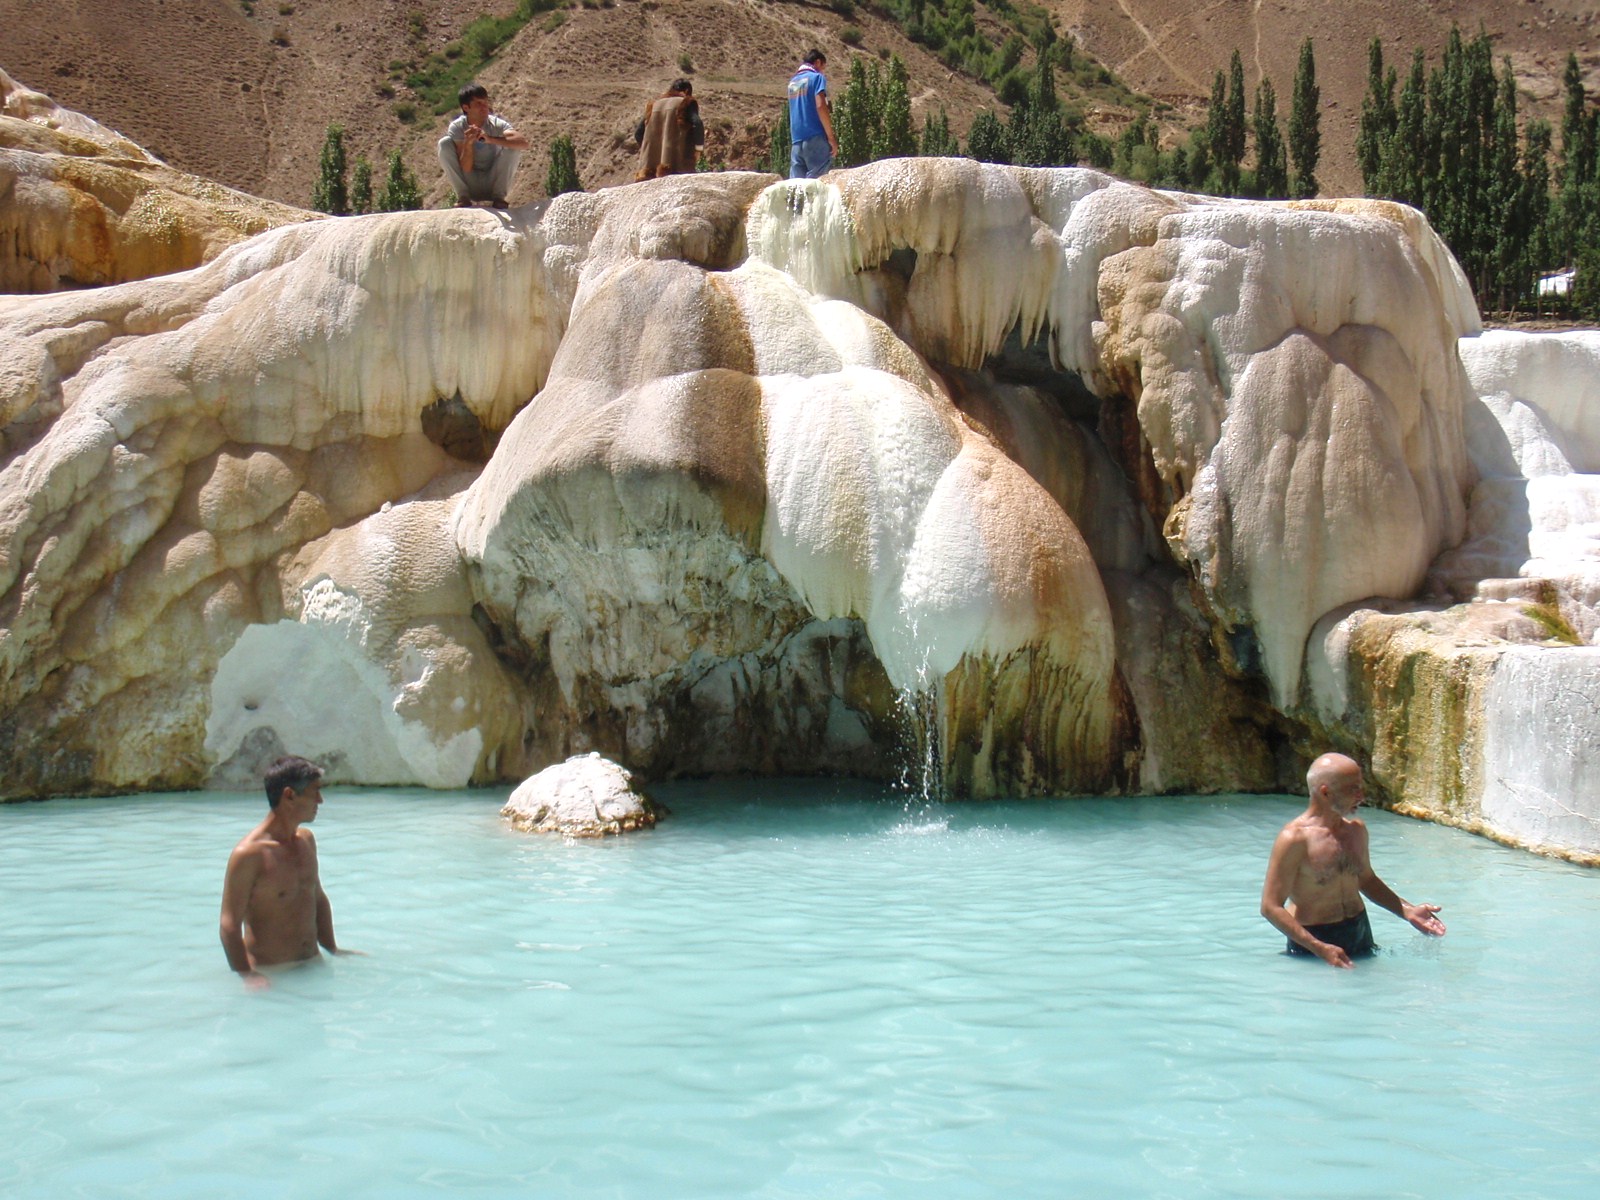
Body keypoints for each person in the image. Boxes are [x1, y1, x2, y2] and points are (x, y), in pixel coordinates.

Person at [1261, 752, 1446, 968]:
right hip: (1312, 943)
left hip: (1359, 931)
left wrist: (1407, 910)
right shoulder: (1294, 839)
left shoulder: (1356, 831)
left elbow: (1366, 880)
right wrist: (1319, 948)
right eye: (1352, 789)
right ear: (1325, 792)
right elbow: (1270, 906)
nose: (1361, 796)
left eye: (1361, 787)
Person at [220, 755, 351, 989]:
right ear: (290, 795)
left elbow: (316, 897)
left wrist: (332, 949)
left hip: (313, 966)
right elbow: (229, 925)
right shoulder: (249, 854)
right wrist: (248, 976)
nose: (320, 801)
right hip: (272, 975)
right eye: (315, 792)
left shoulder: (306, 841)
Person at [438, 82, 530, 208]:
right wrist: (468, 144)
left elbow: (523, 143)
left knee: (513, 147)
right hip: (470, 181)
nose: (484, 107)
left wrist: (490, 139)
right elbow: (466, 168)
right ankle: (463, 197)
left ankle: (499, 197)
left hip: (493, 180)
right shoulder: (458, 127)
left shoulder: (496, 124)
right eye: (478, 104)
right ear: (466, 108)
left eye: (485, 102)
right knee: (444, 144)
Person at [634, 79, 704, 180]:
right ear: (687, 90)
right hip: (675, 167)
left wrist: (650, 151)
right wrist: (698, 150)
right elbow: (697, 123)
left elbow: (638, 133)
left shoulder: (654, 105)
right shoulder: (686, 102)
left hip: (649, 171)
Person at [787, 49, 838, 180]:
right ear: (818, 62)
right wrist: (831, 137)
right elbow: (820, 106)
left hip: (796, 140)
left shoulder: (792, 83)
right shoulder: (817, 78)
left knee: (796, 188)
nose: (822, 71)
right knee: (815, 186)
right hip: (816, 137)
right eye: (823, 67)